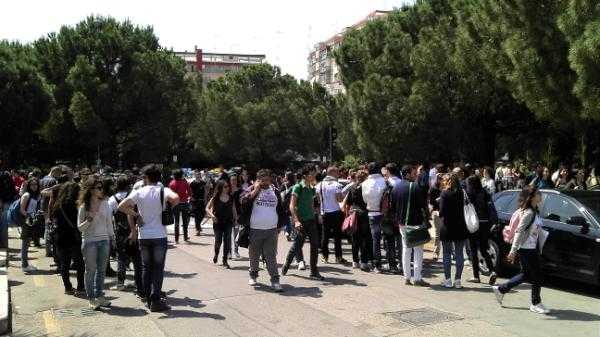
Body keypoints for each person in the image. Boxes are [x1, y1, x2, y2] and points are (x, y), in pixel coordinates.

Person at [118, 164, 180, 312]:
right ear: (159, 177)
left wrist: (136, 215)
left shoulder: (139, 192)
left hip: (144, 235)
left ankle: (147, 297)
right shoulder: (163, 190)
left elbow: (121, 206)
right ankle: (156, 299)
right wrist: (167, 208)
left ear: (146, 177)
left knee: (146, 267)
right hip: (159, 234)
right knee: (158, 268)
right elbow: (176, 198)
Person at [493, 186, 550, 314]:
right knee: (537, 275)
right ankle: (536, 303)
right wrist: (513, 251)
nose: (541, 195)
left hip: (531, 247)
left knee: (527, 274)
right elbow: (519, 231)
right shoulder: (529, 213)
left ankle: (501, 289)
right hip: (526, 248)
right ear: (532, 197)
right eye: (538, 193)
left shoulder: (535, 210)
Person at [240, 169, 286, 292]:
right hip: (255, 229)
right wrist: (255, 190)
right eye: (262, 180)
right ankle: (253, 274)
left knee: (271, 255)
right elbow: (243, 203)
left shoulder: (275, 191)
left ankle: (275, 281)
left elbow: (280, 209)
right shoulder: (251, 189)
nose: (265, 182)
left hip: (271, 229)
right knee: (254, 255)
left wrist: (280, 225)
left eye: (267, 179)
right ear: (258, 180)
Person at [77, 176, 114, 309]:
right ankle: (91, 298)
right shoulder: (84, 206)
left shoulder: (105, 203)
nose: (101, 190)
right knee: (90, 270)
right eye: (98, 188)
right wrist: (89, 220)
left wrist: (112, 237)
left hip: (104, 240)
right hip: (89, 241)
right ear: (91, 190)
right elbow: (80, 227)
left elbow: (109, 222)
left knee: (102, 270)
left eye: (102, 187)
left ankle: (100, 296)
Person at [282, 166, 324, 280]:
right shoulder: (298, 187)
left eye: (315, 174)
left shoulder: (311, 188)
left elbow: (312, 204)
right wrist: (295, 221)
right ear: (305, 175)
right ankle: (287, 263)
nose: (314, 175)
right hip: (300, 221)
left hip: (311, 220)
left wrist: (318, 214)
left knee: (315, 244)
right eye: (312, 173)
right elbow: (292, 205)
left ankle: (314, 271)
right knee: (297, 245)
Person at [392, 165, 430, 286]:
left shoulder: (395, 188)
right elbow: (423, 205)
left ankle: (406, 277)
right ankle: (417, 278)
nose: (415, 175)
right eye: (414, 173)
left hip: (402, 223)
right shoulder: (415, 187)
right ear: (407, 174)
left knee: (406, 249)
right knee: (418, 251)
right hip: (415, 223)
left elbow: (393, 207)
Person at [108, 176, 142, 293]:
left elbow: (109, 217)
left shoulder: (112, 199)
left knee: (121, 258)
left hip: (120, 232)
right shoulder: (132, 197)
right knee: (137, 258)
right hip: (135, 231)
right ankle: (139, 284)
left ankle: (120, 283)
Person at [52, 182, 85, 296]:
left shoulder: (58, 205)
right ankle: (81, 287)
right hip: (74, 237)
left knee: (64, 264)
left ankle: (68, 287)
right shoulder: (77, 205)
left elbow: (54, 219)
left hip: (60, 237)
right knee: (79, 263)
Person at [439, 174, 469, 289]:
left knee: (446, 254)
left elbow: (441, 212)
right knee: (459, 254)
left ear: (447, 182)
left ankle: (447, 280)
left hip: (447, 226)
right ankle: (458, 280)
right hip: (461, 226)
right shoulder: (462, 193)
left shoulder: (444, 193)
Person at [465, 176, 497, 285]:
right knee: (483, 249)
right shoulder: (485, 193)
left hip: (474, 224)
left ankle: (476, 276)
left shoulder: (470, 194)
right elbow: (491, 208)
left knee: (473, 250)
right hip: (485, 224)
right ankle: (492, 271)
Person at [362, 162, 389, 273]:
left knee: (375, 240)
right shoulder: (384, 181)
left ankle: (377, 264)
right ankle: (391, 262)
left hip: (371, 213)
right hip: (385, 214)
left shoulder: (364, 183)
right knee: (389, 239)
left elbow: (364, 200)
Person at [315, 166, 346, 264]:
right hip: (336, 212)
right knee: (337, 236)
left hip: (325, 213)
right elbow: (339, 199)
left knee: (325, 236)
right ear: (332, 173)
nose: (338, 174)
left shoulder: (319, 185)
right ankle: (338, 257)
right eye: (337, 172)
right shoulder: (337, 185)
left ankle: (325, 257)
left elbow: (319, 200)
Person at [345, 170, 372, 271]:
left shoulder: (352, 187)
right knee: (364, 238)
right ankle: (364, 261)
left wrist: (347, 215)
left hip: (353, 213)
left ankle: (355, 261)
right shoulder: (365, 187)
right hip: (364, 214)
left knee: (355, 238)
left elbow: (348, 203)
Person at [206, 180, 236, 269]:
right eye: (225, 187)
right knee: (218, 241)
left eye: (228, 186)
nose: (227, 188)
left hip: (228, 222)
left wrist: (236, 219)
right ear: (220, 188)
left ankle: (225, 260)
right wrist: (212, 216)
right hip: (217, 222)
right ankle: (216, 254)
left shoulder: (231, 197)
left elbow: (233, 208)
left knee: (227, 241)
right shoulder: (215, 197)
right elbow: (207, 208)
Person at [19, 178, 41, 273]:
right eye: (32, 184)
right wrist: (29, 216)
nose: (34, 186)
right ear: (29, 185)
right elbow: (22, 210)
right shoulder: (27, 195)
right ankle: (24, 265)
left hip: (31, 221)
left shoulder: (36, 195)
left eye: (36, 184)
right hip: (26, 222)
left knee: (27, 243)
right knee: (25, 243)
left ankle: (25, 264)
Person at [168, 169, 191, 243]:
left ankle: (176, 239)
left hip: (175, 204)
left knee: (176, 221)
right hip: (184, 203)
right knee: (185, 221)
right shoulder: (185, 183)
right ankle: (185, 237)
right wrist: (186, 196)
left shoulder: (172, 183)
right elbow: (190, 192)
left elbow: (170, 195)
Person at [428, 174, 443, 261]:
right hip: (437, 212)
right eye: (440, 179)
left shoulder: (446, 188)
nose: (441, 180)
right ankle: (436, 252)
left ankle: (451, 253)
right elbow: (432, 202)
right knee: (438, 234)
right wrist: (441, 198)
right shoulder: (434, 189)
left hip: (446, 212)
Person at [189, 170, 209, 236]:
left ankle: (198, 225)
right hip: (195, 201)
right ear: (195, 175)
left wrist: (206, 200)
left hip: (202, 200)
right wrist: (191, 197)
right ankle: (197, 229)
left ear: (200, 176)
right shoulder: (192, 183)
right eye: (196, 175)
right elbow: (190, 191)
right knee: (197, 215)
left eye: (199, 175)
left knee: (203, 214)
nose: (198, 176)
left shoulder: (203, 183)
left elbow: (206, 191)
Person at [229, 174, 243, 259]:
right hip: (228, 215)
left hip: (237, 215)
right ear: (230, 181)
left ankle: (236, 250)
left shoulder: (240, 191)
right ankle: (229, 252)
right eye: (232, 180)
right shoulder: (226, 190)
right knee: (228, 234)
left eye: (235, 180)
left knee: (236, 234)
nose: (234, 181)